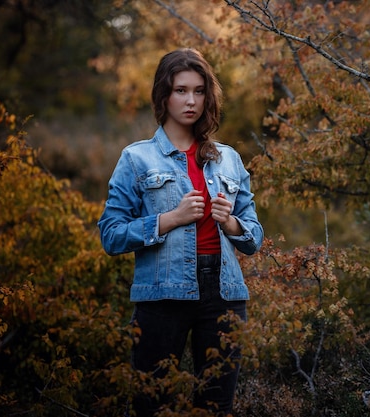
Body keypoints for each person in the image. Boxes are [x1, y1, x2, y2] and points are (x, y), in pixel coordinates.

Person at [98, 48, 264, 416]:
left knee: (216, 406)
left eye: (199, 91)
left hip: (225, 294)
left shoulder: (228, 158)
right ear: (164, 95)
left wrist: (230, 221)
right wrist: (170, 219)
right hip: (162, 296)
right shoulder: (136, 158)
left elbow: (253, 236)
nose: (191, 101)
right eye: (181, 90)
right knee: (154, 403)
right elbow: (110, 234)